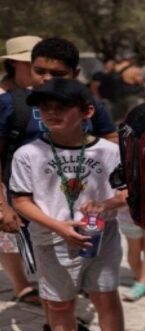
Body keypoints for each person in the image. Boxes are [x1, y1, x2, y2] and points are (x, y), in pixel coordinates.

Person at [10, 78, 145, 331]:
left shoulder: (109, 151)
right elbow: (21, 200)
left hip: (102, 237)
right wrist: (58, 227)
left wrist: (108, 202)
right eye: (45, 108)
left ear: (86, 111)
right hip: (52, 241)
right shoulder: (28, 154)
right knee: (58, 304)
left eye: (61, 107)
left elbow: (126, 191)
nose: (51, 113)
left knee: (106, 297)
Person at [0, 36, 115, 331]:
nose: (47, 80)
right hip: (32, 207)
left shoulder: (89, 102)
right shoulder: (11, 104)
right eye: (40, 71)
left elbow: (110, 139)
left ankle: (66, 326)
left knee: (78, 270)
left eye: (58, 73)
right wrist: (4, 203)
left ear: (75, 73)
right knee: (51, 277)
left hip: (81, 205)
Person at [0, 36, 43, 307]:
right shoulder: (2, 99)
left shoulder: (39, 94)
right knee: (7, 235)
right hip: (7, 183)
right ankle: (21, 285)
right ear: (15, 63)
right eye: (34, 64)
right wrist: (2, 202)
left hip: (35, 184)